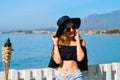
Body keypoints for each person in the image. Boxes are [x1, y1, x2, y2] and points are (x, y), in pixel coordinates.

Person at [48, 15, 88, 80]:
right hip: (60, 76)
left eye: (73, 27)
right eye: (68, 29)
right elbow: (58, 61)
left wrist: (77, 39)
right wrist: (55, 43)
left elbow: (80, 58)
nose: (72, 30)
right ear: (63, 31)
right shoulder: (58, 43)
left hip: (75, 75)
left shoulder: (81, 42)